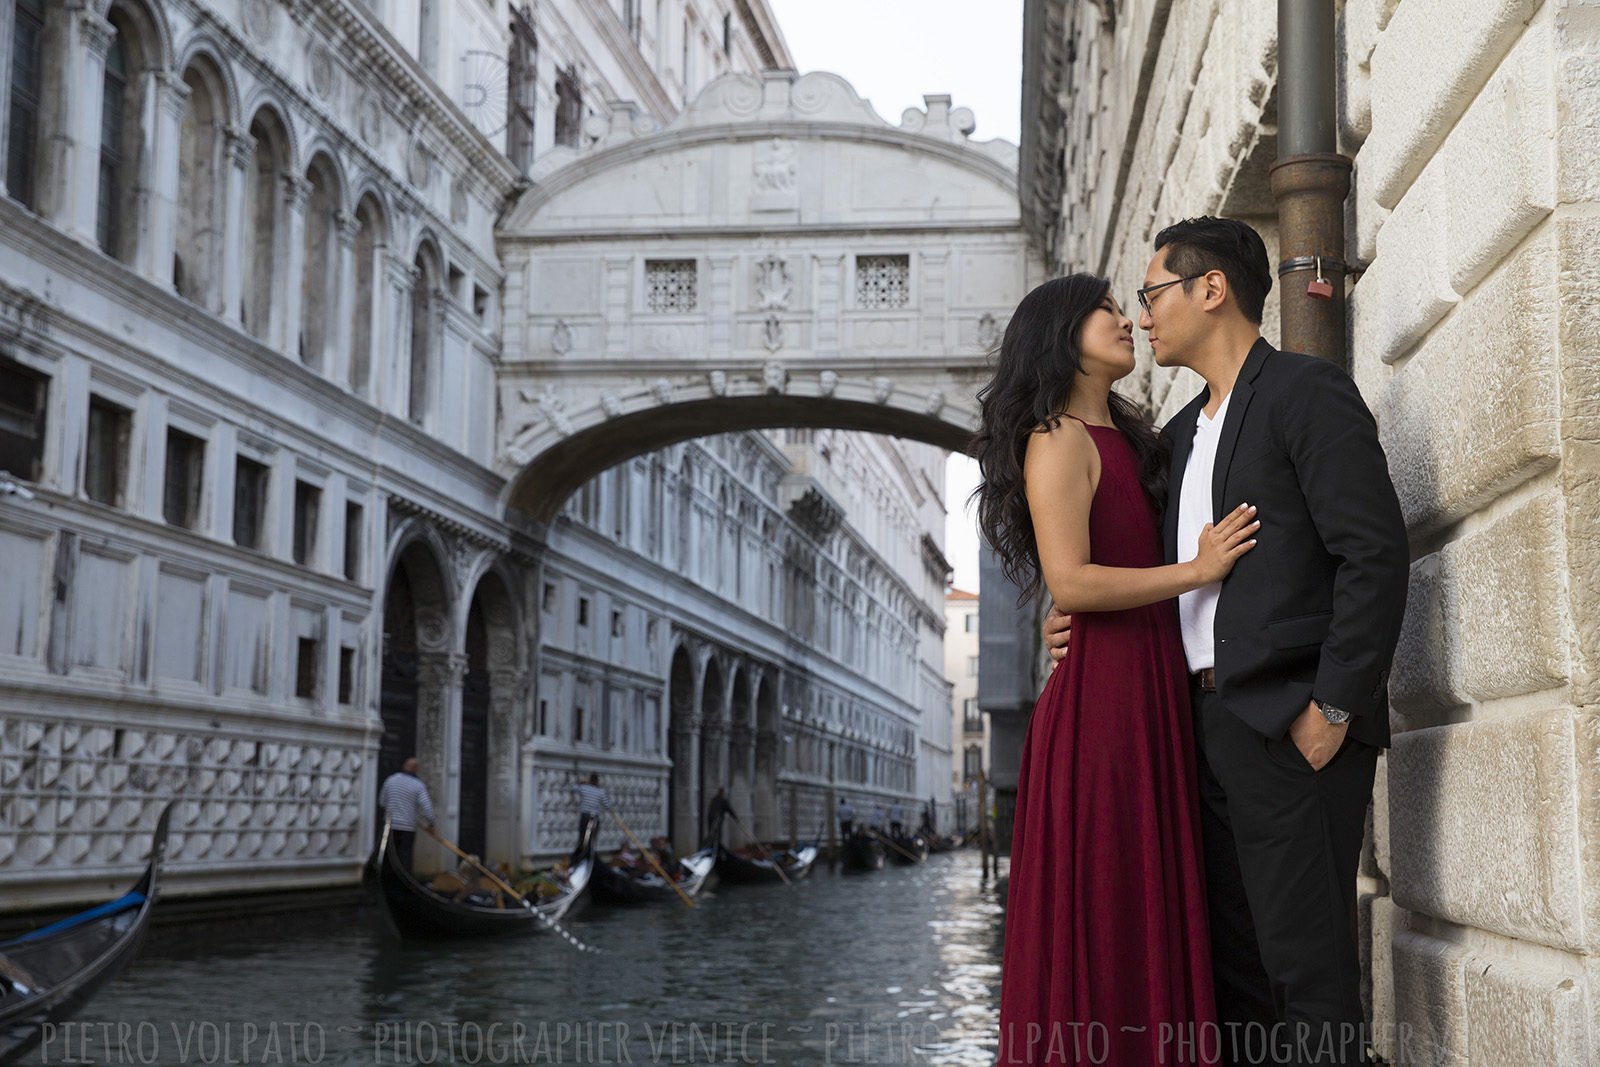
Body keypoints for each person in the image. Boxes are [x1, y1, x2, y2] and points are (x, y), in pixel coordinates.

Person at [1044, 218, 1408, 1066]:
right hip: (1195, 737)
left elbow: (1374, 553)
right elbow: (1116, 555)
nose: (1143, 315)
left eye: (1152, 292)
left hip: (1292, 729)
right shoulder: (1170, 441)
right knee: (1230, 980)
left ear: (1211, 290)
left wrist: (1333, 708)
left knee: (1307, 977)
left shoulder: (1304, 393)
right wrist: (1067, 613)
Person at [977, 273, 1263, 1065]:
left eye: (1124, 308)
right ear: (1059, 336)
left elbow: (1098, 568)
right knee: (1109, 901)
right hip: (1104, 704)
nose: (1126, 321)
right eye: (1104, 311)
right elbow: (1071, 580)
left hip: (1150, 691)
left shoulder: (1143, 441)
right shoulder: (1056, 435)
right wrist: (1198, 571)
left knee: (1150, 899)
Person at [378, 757, 435, 872]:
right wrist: (431, 824)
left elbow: (382, 802)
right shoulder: (418, 785)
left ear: (404, 766)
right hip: (408, 827)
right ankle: (403, 880)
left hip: (390, 826)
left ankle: (388, 879)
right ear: (416, 770)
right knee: (404, 858)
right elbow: (427, 808)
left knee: (389, 856)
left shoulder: (390, 780)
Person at [570, 772, 609, 861]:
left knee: (582, 837)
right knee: (592, 839)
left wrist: (582, 782)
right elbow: (607, 805)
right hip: (594, 817)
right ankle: (588, 856)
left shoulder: (584, 788)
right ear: (597, 781)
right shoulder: (600, 792)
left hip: (585, 817)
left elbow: (573, 787)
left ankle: (581, 855)